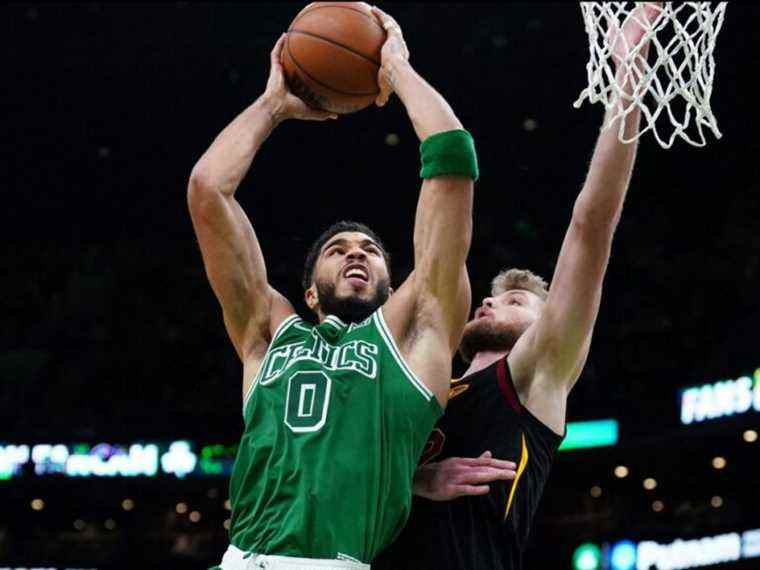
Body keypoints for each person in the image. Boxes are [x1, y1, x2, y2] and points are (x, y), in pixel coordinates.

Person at [188, 7, 480, 570]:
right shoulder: (266, 334)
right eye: (337, 248)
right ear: (311, 293)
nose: (355, 252)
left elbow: (453, 159)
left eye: (370, 249)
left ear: (393, 284)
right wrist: (273, 106)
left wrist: (396, 70)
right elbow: (208, 191)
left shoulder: (420, 335)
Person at [373, 4, 663, 569]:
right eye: (491, 295)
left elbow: (590, 226)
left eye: (516, 300)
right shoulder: (423, 386)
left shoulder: (535, 374)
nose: (489, 300)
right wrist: (415, 480)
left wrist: (629, 77)